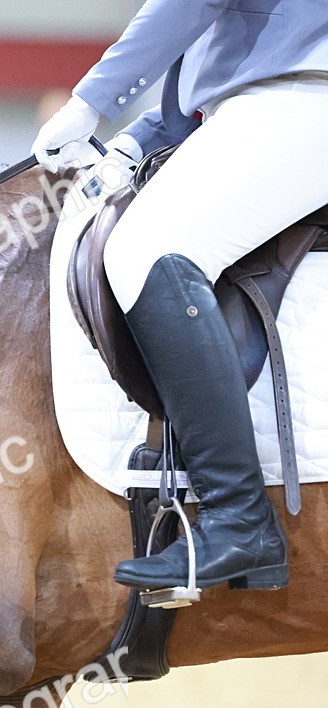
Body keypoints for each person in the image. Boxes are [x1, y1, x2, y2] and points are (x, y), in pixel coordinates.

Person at [32, 1, 328, 592]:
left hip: (307, 93)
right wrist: (142, 135)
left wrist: (92, 101)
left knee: (149, 250)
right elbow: (227, 39)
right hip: (250, 107)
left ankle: (240, 520)